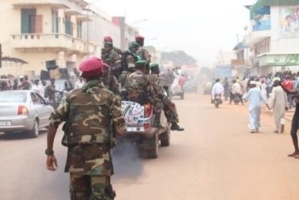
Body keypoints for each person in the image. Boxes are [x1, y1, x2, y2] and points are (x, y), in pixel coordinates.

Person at [45, 56, 127, 200]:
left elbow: (53, 123)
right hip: (100, 160)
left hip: (76, 160)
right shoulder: (110, 97)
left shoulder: (71, 96)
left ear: (82, 76)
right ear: (101, 74)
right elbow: (121, 131)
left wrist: (50, 153)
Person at [125, 60, 162, 127]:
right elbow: (149, 89)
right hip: (140, 99)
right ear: (144, 68)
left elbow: (126, 87)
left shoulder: (130, 75)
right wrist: (155, 97)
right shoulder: (144, 76)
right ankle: (157, 123)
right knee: (158, 104)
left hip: (129, 98)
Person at [149, 63, 184, 131]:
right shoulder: (156, 77)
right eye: (157, 68)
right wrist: (166, 99)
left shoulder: (149, 76)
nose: (158, 69)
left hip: (152, 97)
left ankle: (171, 123)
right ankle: (174, 124)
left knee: (167, 106)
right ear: (155, 69)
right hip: (156, 98)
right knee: (171, 105)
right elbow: (159, 90)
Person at [279, 81, 299, 158]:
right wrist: (281, 85)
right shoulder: (298, 90)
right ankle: (296, 151)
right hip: (296, 115)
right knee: (293, 132)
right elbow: (288, 91)